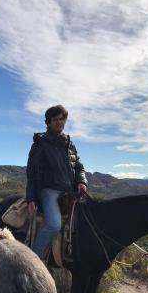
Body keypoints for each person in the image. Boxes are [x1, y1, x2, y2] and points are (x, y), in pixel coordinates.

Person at [26, 105, 88, 258]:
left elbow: (79, 166)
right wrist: (31, 198)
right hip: (49, 191)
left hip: (70, 191)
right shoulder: (39, 145)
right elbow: (32, 174)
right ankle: (34, 258)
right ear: (48, 122)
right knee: (54, 225)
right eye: (55, 119)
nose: (59, 122)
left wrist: (82, 181)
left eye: (62, 119)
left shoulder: (69, 143)